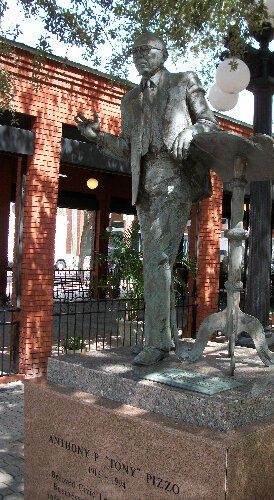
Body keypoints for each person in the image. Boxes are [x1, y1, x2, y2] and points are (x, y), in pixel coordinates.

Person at [75, 32, 218, 365]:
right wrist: (99, 137)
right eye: (134, 51)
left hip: (175, 180)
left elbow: (210, 122)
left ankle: (156, 342)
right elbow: (127, 148)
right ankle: (165, 339)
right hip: (146, 187)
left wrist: (191, 130)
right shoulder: (130, 100)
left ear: (163, 54)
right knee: (157, 262)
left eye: (147, 50)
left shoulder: (184, 82)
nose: (140, 56)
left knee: (156, 260)